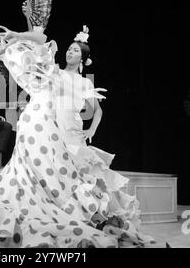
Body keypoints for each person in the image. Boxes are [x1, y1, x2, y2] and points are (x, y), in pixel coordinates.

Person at [0, 25, 161, 248]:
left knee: (50, 173)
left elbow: (41, 37)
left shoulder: (17, 48)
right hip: (38, 116)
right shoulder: (11, 55)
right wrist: (21, 38)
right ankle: (40, 215)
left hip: (45, 115)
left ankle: (52, 210)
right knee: (39, 174)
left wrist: (17, 35)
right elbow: (41, 44)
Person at [55, 26, 144, 232]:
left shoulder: (85, 82)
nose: (70, 52)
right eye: (69, 48)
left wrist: (92, 131)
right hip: (54, 131)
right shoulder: (56, 73)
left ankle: (89, 221)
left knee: (83, 179)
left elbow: (98, 111)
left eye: (76, 50)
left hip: (74, 133)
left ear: (83, 59)